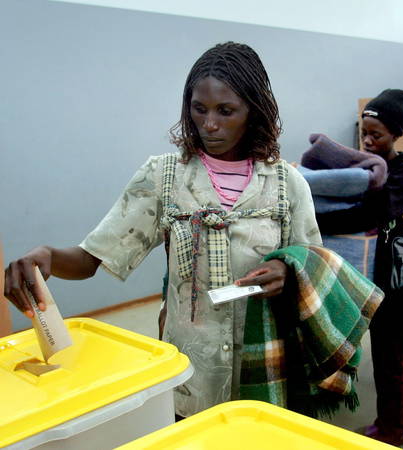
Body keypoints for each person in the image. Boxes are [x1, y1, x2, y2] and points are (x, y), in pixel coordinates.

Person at [3, 42, 322, 417]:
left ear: (254, 111)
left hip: (268, 367)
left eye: (226, 111)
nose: (210, 124)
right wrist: (49, 257)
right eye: (199, 109)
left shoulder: (286, 183)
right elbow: (92, 257)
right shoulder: (165, 177)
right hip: (192, 372)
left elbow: (315, 263)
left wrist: (288, 270)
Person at [358, 89, 403, 449]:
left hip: (402, 286)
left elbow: (375, 213)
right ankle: (384, 422)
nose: (369, 141)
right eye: (364, 133)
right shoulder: (375, 168)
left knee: (394, 362)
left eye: (377, 135)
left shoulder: (402, 173)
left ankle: (395, 433)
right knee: (384, 359)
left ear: (396, 135)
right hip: (381, 281)